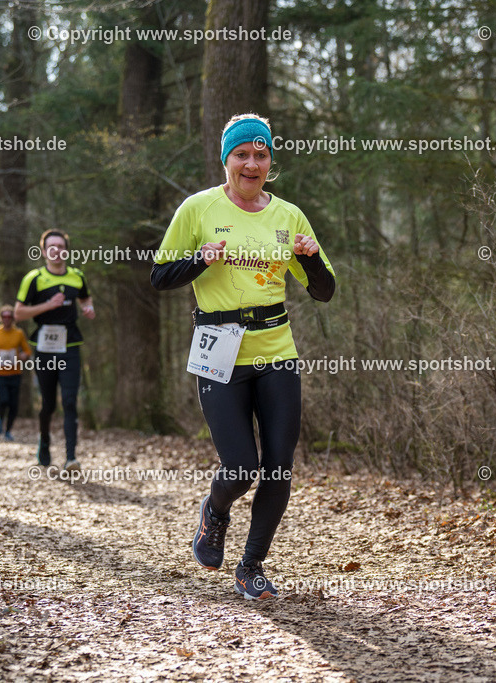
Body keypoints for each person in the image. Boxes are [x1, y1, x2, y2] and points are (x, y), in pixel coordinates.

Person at [151, 113, 335, 600]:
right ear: (226, 159)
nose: (252, 163)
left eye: (261, 154)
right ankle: (214, 512)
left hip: (277, 348)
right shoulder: (197, 208)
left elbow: (324, 291)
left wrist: (312, 257)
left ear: (270, 161)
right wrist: (199, 260)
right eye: (242, 154)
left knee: (278, 465)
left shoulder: (288, 216)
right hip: (219, 348)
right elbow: (159, 276)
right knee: (240, 465)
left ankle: (251, 565)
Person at [15, 230, 95, 470]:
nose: (56, 250)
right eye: (51, 246)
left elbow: (85, 300)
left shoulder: (77, 276)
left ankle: (71, 457)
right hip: (45, 348)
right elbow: (19, 313)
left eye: (60, 246)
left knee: (70, 401)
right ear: (43, 251)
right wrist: (48, 305)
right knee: (48, 403)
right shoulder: (34, 278)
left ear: (66, 250)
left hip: (70, 345)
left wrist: (89, 310)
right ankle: (44, 441)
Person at [0, 305, 32, 441]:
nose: (6, 319)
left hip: (15, 372)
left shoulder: (19, 333)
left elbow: (27, 350)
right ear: (0, 318)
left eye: (9, 317)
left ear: (12, 319)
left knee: (14, 404)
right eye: (4, 317)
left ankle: (8, 431)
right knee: (3, 400)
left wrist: (24, 355)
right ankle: (0, 418)